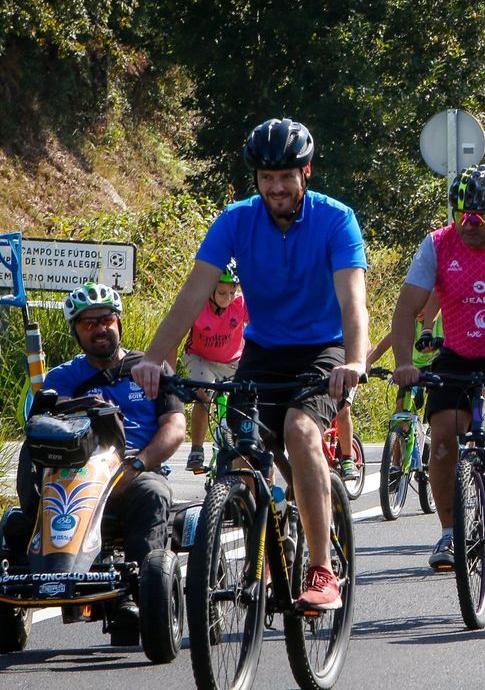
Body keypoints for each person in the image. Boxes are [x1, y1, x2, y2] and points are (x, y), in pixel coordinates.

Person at [133, 118, 368, 611]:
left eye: (285, 176)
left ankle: (322, 570)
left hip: (322, 350)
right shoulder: (237, 220)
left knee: (301, 431)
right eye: (266, 178)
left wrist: (355, 359)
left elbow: (353, 301)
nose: (276, 187)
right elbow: (193, 294)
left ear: (306, 172)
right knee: (239, 446)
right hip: (262, 351)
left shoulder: (336, 219)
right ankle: (267, 543)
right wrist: (154, 356)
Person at [389, 164, 485, 571]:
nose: (466, 224)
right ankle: (451, 532)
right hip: (459, 353)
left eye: (477, 216)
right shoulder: (437, 245)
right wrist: (403, 363)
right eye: (460, 215)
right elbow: (406, 310)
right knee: (440, 440)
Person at [19, 283, 186, 633]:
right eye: (88, 324)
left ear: (119, 322)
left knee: (153, 493)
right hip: (73, 476)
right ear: (76, 331)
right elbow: (40, 430)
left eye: (106, 319)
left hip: (135, 473)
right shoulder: (62, 379)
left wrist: (138, 463)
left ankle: (139, 592)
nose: (99, 329)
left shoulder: (152, 367)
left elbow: (174, 427)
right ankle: (32, 576)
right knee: (17, 515)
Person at [182, 263, 248, 472]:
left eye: (232, 292)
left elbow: (261, 326)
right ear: (210, 289)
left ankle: (241, 443)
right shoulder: (197, 304)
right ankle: (197, 449)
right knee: (205, 392)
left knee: (248, 396)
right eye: (221, 292)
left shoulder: (240, 303)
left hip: (233, 360)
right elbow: (175, 332)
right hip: (201, 358)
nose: (227, 298)